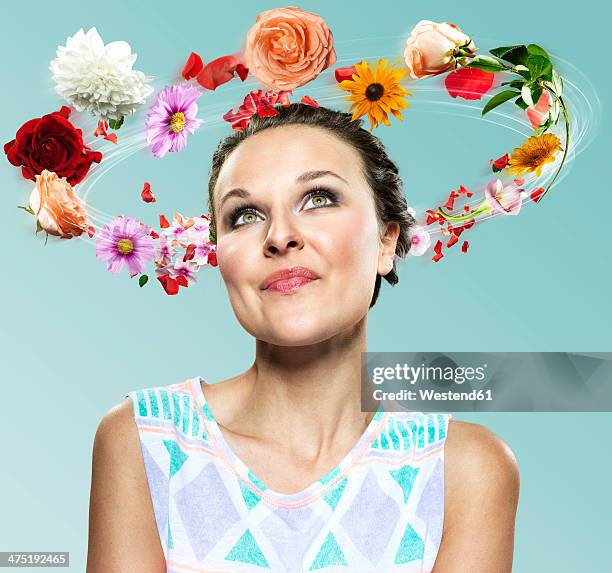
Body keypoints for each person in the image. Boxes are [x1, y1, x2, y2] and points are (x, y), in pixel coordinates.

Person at [86, 103, 520, 572]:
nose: (279, 236)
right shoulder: (146, 437)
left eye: (318, 198)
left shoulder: (462, 468)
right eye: (245, 215)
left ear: (387, 243)